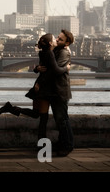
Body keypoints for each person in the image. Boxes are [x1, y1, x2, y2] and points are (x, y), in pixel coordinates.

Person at [0, 33, 70, 141]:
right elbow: (55, 70)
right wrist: (66, 68)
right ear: (50, 43)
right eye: (55, 39)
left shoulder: (43, 53)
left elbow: (43, 68)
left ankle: (10, 108)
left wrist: (36, 69)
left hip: (40, 86)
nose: (57, 40)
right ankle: (42, 145)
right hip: (44, 89)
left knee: (36, 114)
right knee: (42, 118)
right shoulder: (50, 53)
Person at [36, 29, 75, 157]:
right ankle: (63, 143)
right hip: (54, 91)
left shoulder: (64, 53)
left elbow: (54, 70)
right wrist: (37, 68)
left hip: (60, 91)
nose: (57, 40)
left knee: (62, 119)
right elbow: (46, 64)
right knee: (60, 120)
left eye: (61, 39)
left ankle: (67, 146)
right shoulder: (56, 50)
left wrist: (40, 80)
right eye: (57, 38)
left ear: (67, 43)